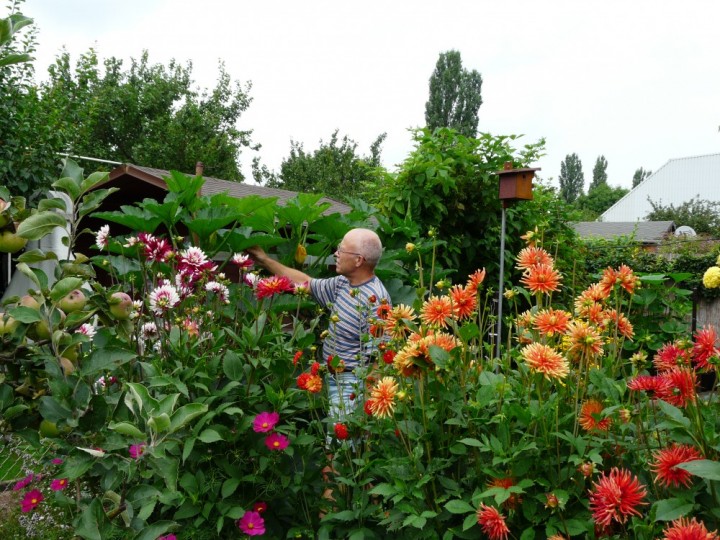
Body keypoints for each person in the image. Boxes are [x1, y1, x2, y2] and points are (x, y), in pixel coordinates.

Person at [246, 228, 391, 422]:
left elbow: (379, 360)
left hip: (352, 386)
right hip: (333, 378)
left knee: (342, 446)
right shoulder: (342, 283)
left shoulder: (377, 301)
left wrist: (365, 410)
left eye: (341, 250)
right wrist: (264, 259)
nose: (336, 254)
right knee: (334, 442)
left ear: (359, 260)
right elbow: (306, 283)